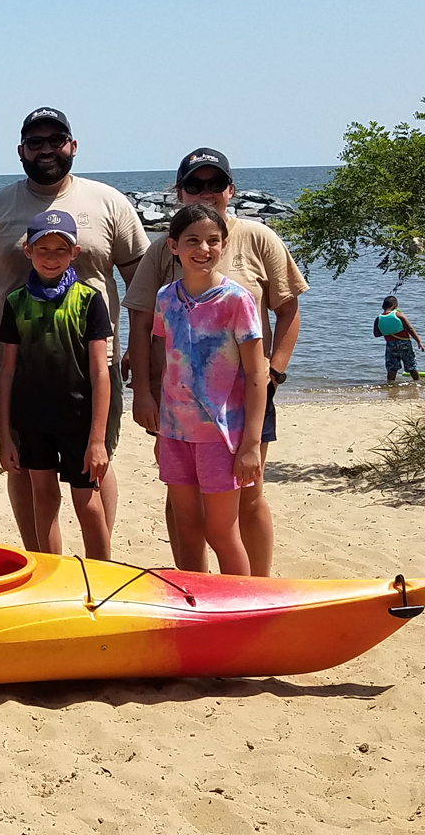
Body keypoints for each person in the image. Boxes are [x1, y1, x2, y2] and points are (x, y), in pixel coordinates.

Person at [0, 108, 148, 552]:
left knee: (96, 462)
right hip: (14, 364)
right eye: (36, 141)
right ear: (21, 150)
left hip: (93, 367)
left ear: (73, 146)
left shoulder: (109, 202)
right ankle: (41, 561)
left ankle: (98, 564)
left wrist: (144, 352)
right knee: (25, 467)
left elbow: (144, 288)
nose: (46, 149)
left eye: (55, 140)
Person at [126, 148, 307, 576]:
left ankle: (257, 589)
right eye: (195, 184)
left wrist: (274, 371)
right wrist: (145, 393)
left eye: (215, 183)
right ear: (180, 192)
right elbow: (143, 324)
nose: (206, 192)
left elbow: (288, 308)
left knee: (248, 495)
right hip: (180, 411)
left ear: (231, 189)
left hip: (245, 398)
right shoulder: (161, 255)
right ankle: (197, 587)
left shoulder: (259, 237)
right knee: (184, 504)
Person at [152, 204, 267, 576]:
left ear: (224, 245)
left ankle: (243, 606)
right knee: (187, 530)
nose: (203, 249)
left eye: (213, 241)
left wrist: (250, 444)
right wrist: (159, 424)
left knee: (220, 532)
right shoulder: (166, 297)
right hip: (174, 432)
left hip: (220, 437)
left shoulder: (236, 300)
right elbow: (163, 361)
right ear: (173, 246)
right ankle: (196, 602)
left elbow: (255, 375)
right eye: (193, 241)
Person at [0, 211, 112, 559]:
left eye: (60, 250)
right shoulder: (16, 302)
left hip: (78, 420)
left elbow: (100, 373)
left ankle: (103, 576)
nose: (50, 257)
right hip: (33, 421)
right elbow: (7, 372)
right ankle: (53, 573)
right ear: (27, 250)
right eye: (42, 248)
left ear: (74, 252)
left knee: (88, 505)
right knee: (43, 500)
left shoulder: (89, 300)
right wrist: (5, 434)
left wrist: (97, 439)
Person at [374, 295, 422, 382]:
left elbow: (376, 334)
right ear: (396, 306)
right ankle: (417, 383)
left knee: (392, 368)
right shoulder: (399, 315)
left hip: (390, 345)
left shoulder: (378, 319)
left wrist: (388, 330)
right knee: (411, 365)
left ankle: (391, 386)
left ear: (383, 306)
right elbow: (410, 329)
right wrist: (419, 341)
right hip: (404, 344)